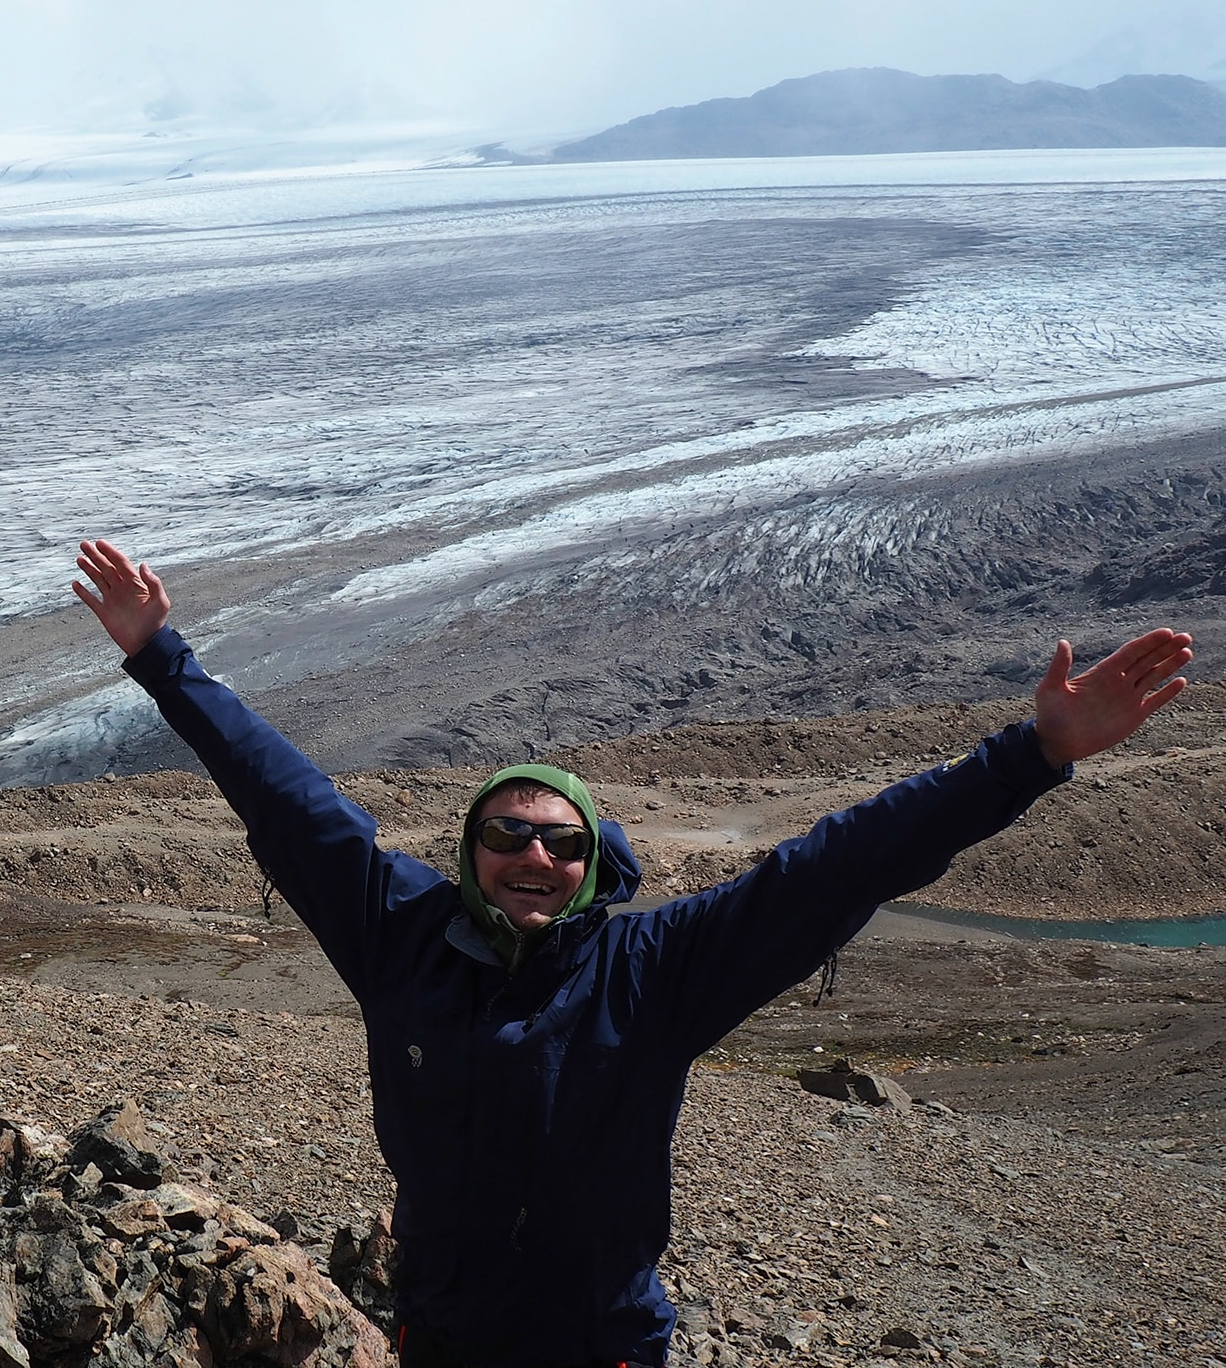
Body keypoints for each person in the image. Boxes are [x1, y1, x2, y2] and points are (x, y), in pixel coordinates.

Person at [69, 538, 1194, 1368]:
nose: (530, 855)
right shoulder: (398, 933)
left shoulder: (655, 970)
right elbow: (287, 797)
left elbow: (838, 867)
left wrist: (1031, 754)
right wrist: (162, 656)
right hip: (444, 1336)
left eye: (559, 841)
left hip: (603, 1347)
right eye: (503, 833)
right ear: (468, 852)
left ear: (594, 866)